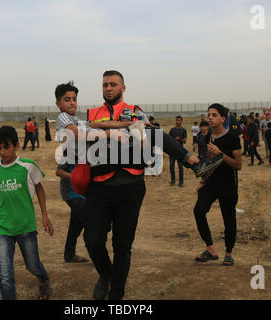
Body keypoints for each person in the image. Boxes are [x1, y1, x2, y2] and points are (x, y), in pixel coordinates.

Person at [83, 71, 224, 300]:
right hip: (99, 185)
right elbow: (88, 130)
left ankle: (115, 296)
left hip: (130, 185)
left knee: (122, 246)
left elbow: (143, 132)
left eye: (113, 84)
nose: (108, 88)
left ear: (123, 88)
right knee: (92, 239)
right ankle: (106, 274)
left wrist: (122, 128)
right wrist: (123, 127)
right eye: (105, 85)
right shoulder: (93, 113)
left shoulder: (135, 109)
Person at [0, 126, 54, 300]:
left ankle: (43, 278)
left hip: (26, 226)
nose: (2, 152)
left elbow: (39, 189)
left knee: (32, 265)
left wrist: (45, 216)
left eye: (6, 147)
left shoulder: (28, 166)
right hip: (3, 228)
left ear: (16, 145)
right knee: (5, 275)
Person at [193, 103, 242, 266]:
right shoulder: (208, 137)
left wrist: (220, 154)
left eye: (214, 115)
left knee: (228, 219)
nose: (210, 118)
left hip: (228, 185)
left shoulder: (232, 138)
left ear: (223, 118)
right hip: (211, 183)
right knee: (199, 211)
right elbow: (209, 163)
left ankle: (228, 253)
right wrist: (203, 181)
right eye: (209, 115)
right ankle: (211, 250)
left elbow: (238, 165)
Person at [169, 116, 187, 187]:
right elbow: (168, 139)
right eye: (176, 120)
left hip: (180, 151)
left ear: (182, 121)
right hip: (172, 151)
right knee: (171, 166)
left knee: (180, 167)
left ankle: (181, 182)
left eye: (179, 120)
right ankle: (173, 180)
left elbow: (185, 141)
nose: (177, 122)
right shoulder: (172, 130)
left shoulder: (184, 130)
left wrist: (180, 139)